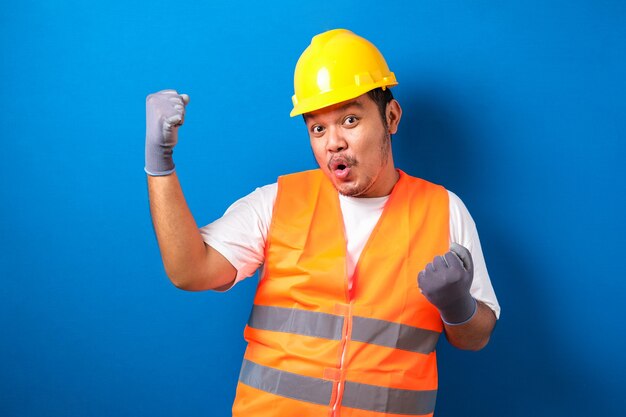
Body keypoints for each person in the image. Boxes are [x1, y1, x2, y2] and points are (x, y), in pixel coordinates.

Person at [146, 29, 499, 417]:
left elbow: (475, 337)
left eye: (349, 120)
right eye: (318, 128)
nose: (333, 143)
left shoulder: (445, 210)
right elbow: (189, 272)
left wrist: (457, 304)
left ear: (391, 117)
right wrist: (160, 164)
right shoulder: (276, 202)